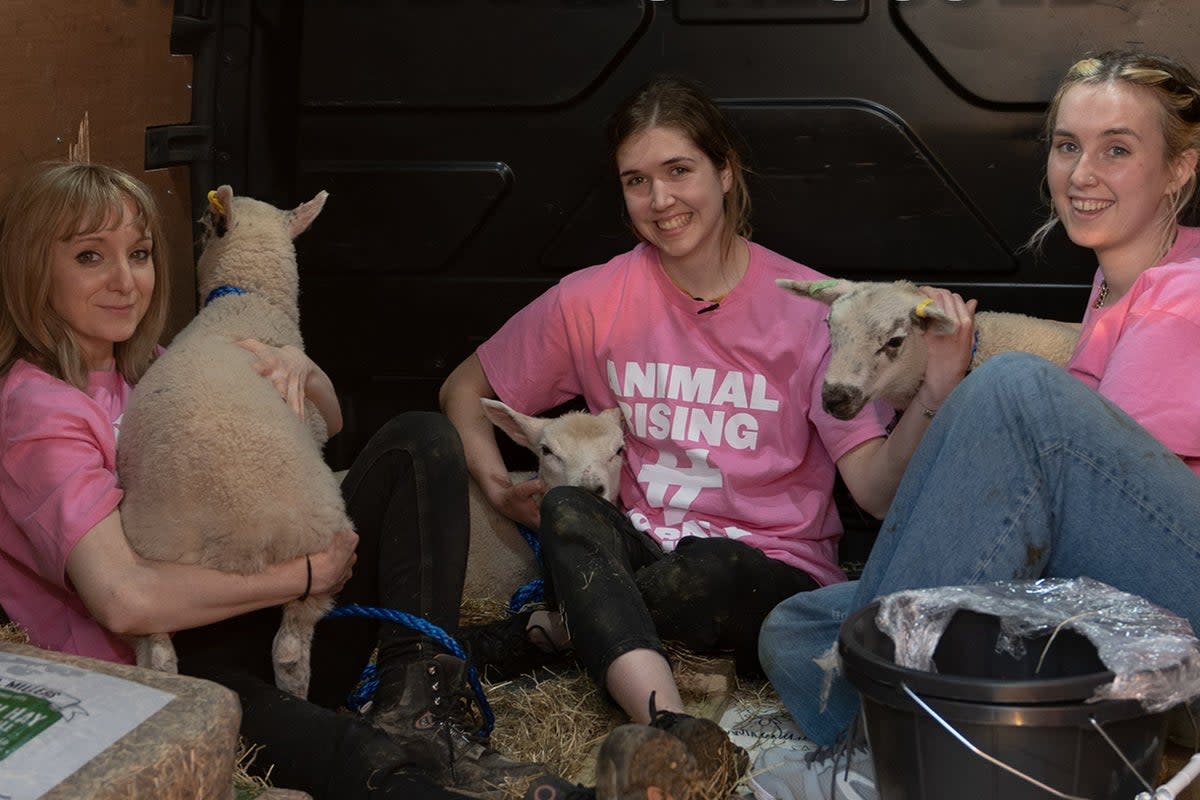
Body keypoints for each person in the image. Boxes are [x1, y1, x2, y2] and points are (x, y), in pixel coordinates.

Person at [438, 75, 974, 794]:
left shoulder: (811, 308)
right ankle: (671, 727)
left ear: (726, 172)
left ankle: (564, 631)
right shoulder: (591, 301)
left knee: (712, 569)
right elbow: (463, 391)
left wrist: (938, 386)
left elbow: (875, 493)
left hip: (760, 573)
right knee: (571, 510)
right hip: (638, 551)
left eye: (679, 171)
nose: (660, 202)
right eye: (636, 181)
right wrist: (501, 490)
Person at [0, 161, 542, 799]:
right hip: (169, 669)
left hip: (257, 617)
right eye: (91, 256)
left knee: (420, 440)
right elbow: (125, 600)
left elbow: (327, 425)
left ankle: (418, 705)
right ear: (36, 270)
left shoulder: (151, 367)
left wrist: (300, 369)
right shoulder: (38, 413)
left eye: (140, 254)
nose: (126, 281)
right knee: (355, 758)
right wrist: (306, 577)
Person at [758, 49, 1200, 799]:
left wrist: (981, 398)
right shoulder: (1110, 291)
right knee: (799, 628)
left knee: (1017, 389)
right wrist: (941, 384)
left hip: (1177, 599)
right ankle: (921, 751)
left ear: (1180, 169)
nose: (1082, 174)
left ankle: (878, 755)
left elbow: (1097, 515)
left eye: (1117, 149)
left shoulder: (1184, 292)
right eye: (1068, 146)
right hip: (1111, 597)